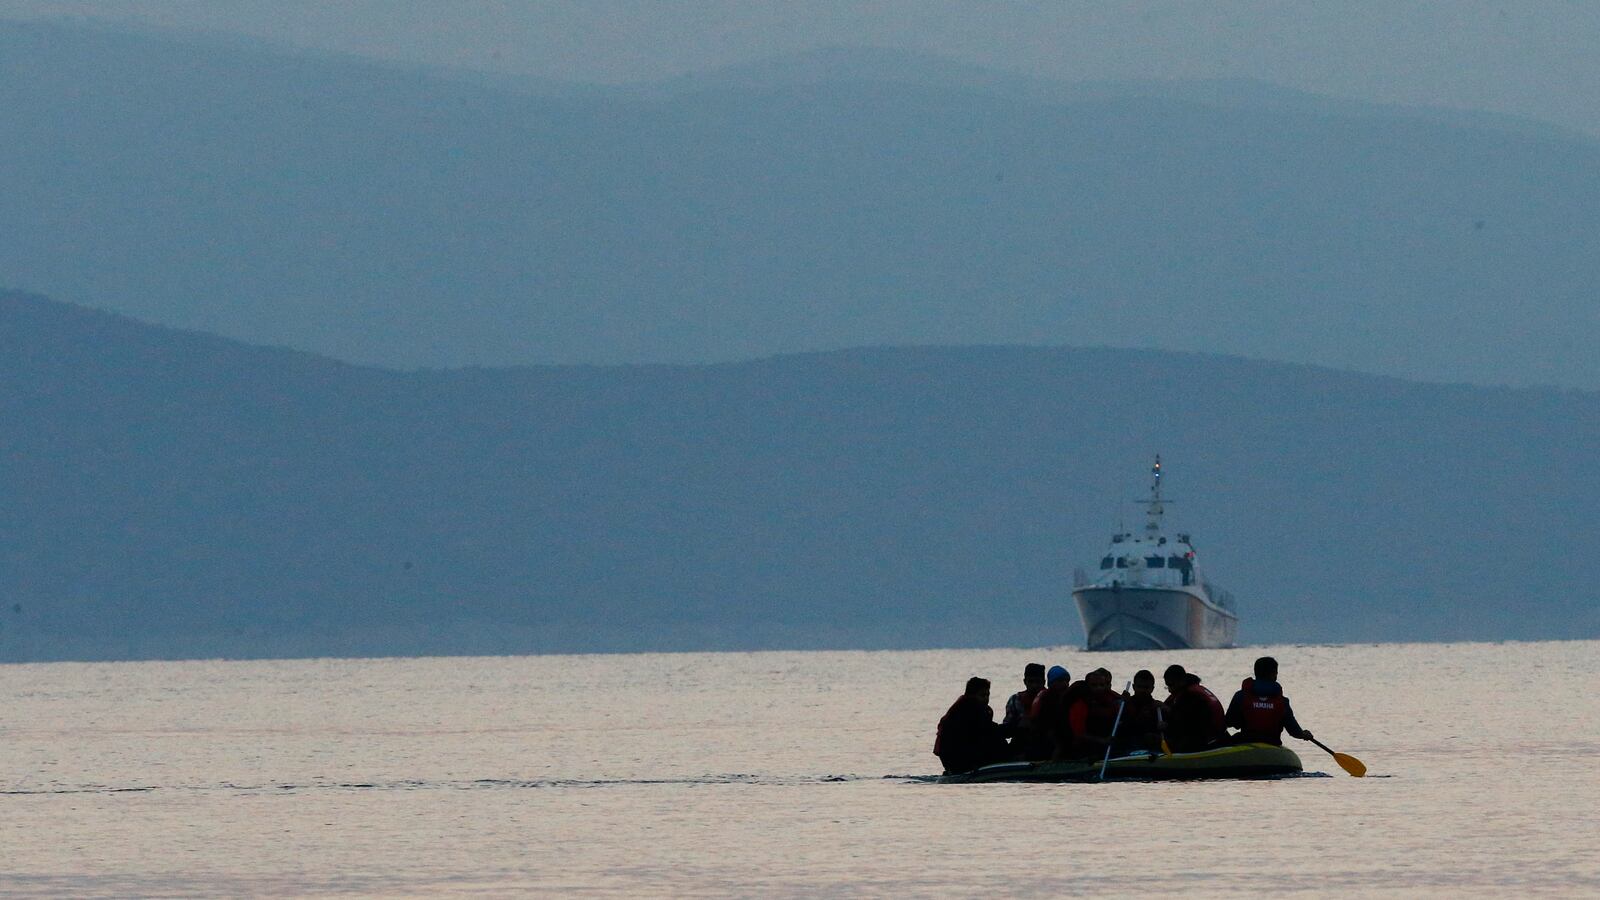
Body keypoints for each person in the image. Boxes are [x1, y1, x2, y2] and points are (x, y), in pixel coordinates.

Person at [1225, 656, 1314, 746]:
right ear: (1274, 674)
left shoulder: (1240, 696)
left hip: (1246, 742)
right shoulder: (1283, 702)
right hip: (1272, 744)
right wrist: (1304, 734)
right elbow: (1294, 731)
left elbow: (1229, 722)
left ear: (1256, 673)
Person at [934, 676, 1012, 774]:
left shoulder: (968, 706)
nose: (986, 699)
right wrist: (1014, 730)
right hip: (957, 756)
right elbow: (988, 730)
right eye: (982, 695)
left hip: (952, 756)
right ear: (971, 695)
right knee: (999, 741)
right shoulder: (969, 708)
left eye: (987, 695)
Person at [1162, 664, 1227, 752]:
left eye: (1171, 685)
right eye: (1167, 686)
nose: (1169, 690)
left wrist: (1166, 724)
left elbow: (1186, 725)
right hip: (1219, 735)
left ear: (1181, 681)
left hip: (1204, 741)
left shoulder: (1191, 696)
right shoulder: (1194, 690)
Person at [1068, 668, 1124, 758]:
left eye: (1101, 685)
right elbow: (1079, 734)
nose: (1098, 688)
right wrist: (1103, 741)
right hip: (1083, 745)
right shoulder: (1080, 703)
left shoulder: (1112, 699)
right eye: (1094, 685)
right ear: (1087, 686)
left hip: (1105, 741)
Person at [1028, 665, 1075, 761]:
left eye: (1067, 681)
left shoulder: (1067, 698)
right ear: (1051, 683)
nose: (1065, 684)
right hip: (1046, 739)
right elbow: (1046, 725)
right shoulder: (1047, 699)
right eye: (1060, 681)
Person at [1114, 669, 1164, 754]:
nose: (1142, 690)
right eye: (1139, 687)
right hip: (1129, 745)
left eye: (1146, 687)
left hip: (1151, 747)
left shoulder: (1157, 707)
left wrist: (1164, 725)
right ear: (1134, 687)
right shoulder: (1124, 704)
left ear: (1152, 688)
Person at [1003, 663, 1047, 728]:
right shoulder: (1015, 700)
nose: (1034, 686)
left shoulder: (1050, 698)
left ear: (1044, 682)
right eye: (1030, 682)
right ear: (1024, 682)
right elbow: (1006, 727)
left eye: (1038, 682)